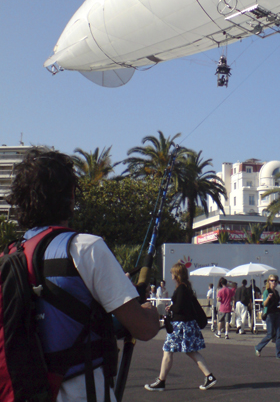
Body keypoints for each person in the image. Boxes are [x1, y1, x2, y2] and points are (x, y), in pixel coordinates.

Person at [8, 148, 160, 402]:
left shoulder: (11, 254)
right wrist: (151, 312)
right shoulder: (84, 247)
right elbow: (143, 329)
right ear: (69, 195)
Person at [145, 262, 217, 392]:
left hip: (180, 325)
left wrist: (172, 307)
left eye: (172, 272)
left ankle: (161, 381)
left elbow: (179, 308)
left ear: (177, 275)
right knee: (191, 351)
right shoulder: (185, 288)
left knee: (168, 350)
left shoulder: (181, 289)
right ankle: (209, 376)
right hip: (187, 325)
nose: (171, 274)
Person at [254, 274, 280, 359]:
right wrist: (268, 298)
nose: (273, 282)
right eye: (271, 280)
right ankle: (258, 347)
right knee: (270, 334)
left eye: (275, 280)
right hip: (270, 315)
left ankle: (279, 354)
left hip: (277, 314)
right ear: (269, 281)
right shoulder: (266, 291)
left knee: (279, 334)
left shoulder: (276, 292)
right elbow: (264, 304)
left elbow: (276, 303)